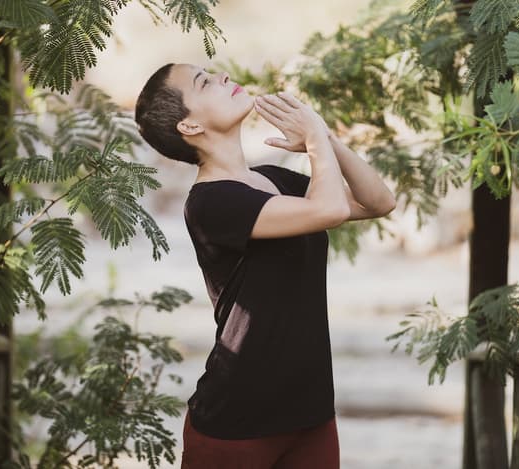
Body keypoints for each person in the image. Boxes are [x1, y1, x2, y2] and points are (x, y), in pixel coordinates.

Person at [134, 63, 396, 469]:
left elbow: (379, 202)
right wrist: (314, 138)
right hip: (237, 424)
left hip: (310, 413)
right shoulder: (209, 203)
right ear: (189, 125)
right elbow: (328, 210)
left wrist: (325, 137)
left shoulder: (273, 179)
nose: (222, 77)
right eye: (204, 82)